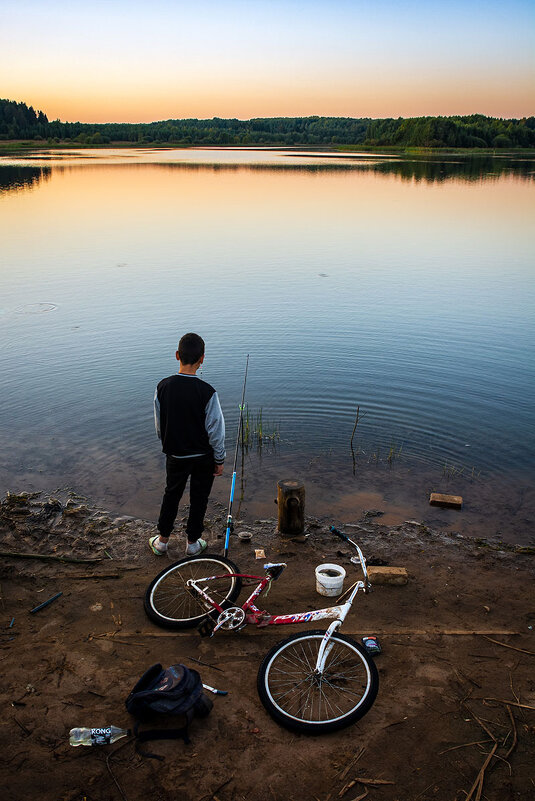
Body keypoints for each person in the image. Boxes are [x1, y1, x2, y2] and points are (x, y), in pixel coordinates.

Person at [150, 333, 225, 557]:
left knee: (171, 494)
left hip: (175, 455)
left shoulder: (162, 387)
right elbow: (216, 430)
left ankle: (162, 541)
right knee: (199, 498)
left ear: (177, 355)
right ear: (202, 359)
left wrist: (168, 443)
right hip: (203, 457)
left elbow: (159, 424)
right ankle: (193, 543)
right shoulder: (208, 392)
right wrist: (219, 459)